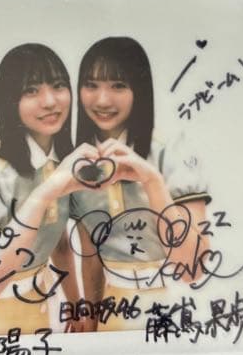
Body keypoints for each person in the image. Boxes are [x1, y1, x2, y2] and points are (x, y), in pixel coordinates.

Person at [0, 42, 100, 333]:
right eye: (31, 90)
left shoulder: (59, 162)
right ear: (10, 100)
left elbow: (59, 243)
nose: (50, 101)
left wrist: (75, 306)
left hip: (41, 302)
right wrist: (45, 192)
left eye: (58, 86)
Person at [69, 36, 211, 331]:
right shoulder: (80, 160)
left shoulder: (170, 149)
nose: (102, 100)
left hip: (172, 305)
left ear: (139, 89)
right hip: (112, 309)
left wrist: (151, 179)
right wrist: (90, 329)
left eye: (118, 85)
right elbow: (91, 260)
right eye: (91, 85)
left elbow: (192, 269)